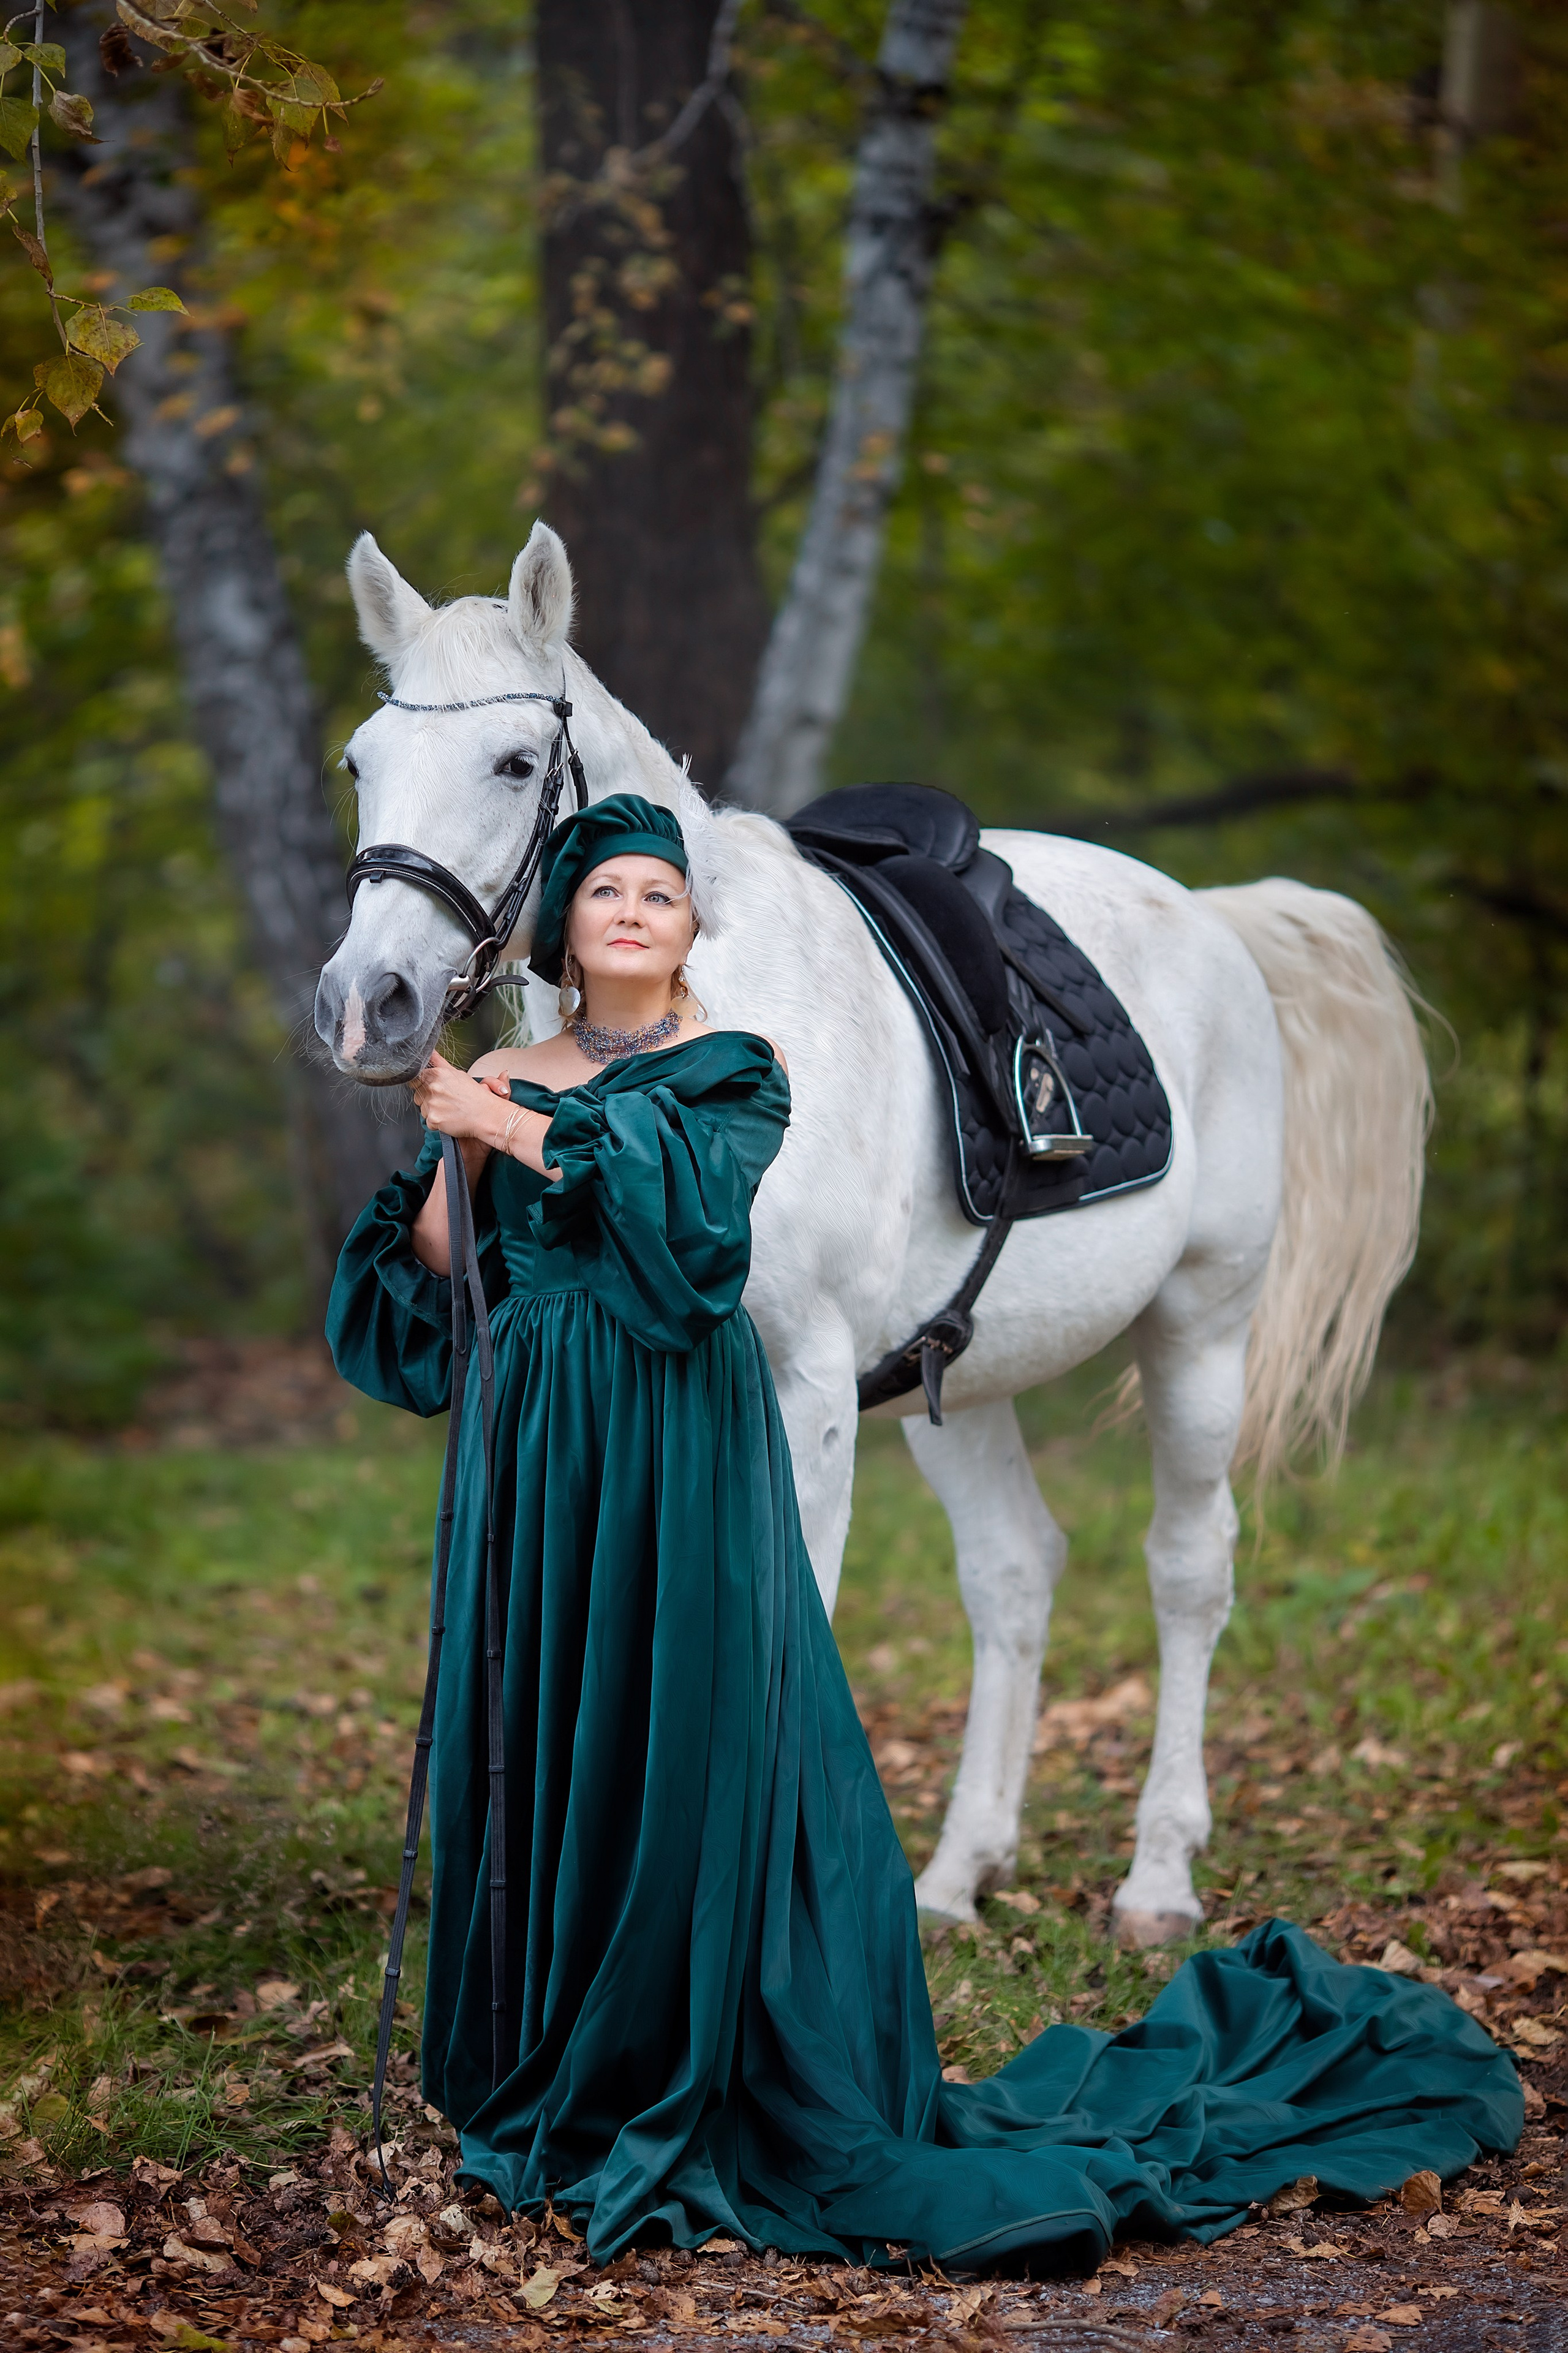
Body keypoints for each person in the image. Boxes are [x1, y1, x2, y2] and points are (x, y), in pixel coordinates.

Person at [328, 791, 1518, 2272]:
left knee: (693, 1714)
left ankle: (714, 2048)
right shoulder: (510, 1059)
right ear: (561, 926)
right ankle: (563, 2062)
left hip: (675, 1438)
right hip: (553, 1443)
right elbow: (447, 1265)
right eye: (605, 893)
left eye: (660, 894)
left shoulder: (733, 1071)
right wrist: (442, 1138)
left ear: (694, 928)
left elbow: (691, 1236)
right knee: (561, 1727)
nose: (631, 911)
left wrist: (506, 1119)